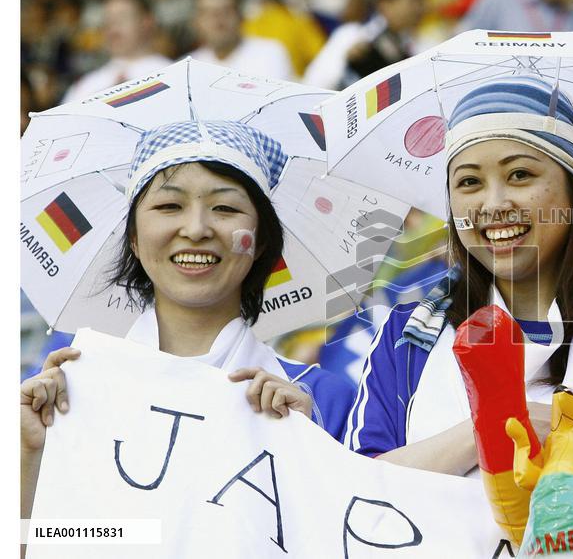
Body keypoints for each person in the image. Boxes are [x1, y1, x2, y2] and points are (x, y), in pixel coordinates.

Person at [21, 120, 357, 520]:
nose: (196, 229)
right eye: (169, 206)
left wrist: (310, 450)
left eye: (225, 208)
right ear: (133, 237)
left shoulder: (320, 401)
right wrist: (28, 453)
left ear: (260, 240)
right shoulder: (64, 389)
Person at [343, 76, 573, 475]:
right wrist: (487, 430)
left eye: (520, 175)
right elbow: (357, 482)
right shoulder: (405, 334)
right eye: (469, 182)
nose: (493, 205)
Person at [61, 0, 171, 104]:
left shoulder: (171, 74)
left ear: (147, 22)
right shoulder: (84, 86)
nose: (113, 27)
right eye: (108, 20)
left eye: (122, 18)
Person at [302, 0, 425, 91]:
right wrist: (345, 62)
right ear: (385, 3)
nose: (420, 8)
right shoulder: (351, 35)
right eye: (414, 1)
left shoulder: (414, 46)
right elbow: (313, 84)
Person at [189, 0, 295, 80]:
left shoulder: (271, 53)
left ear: (240, 16)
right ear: (196, 22)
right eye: (209, 13)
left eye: (226, 11)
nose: (218, 21)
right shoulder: (190, 66)